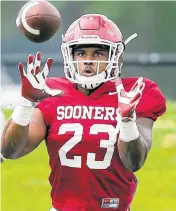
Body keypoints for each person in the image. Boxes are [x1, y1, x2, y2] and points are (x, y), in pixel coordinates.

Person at [1, 14, 166, 211]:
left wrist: (128, 120)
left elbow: (134, 161)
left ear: (115, 55)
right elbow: (10, 151)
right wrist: (26, 104)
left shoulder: (135, 92)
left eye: (98, 53)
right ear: (69, 55)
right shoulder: (52, 91)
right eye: (81, 53)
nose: (88, 60)